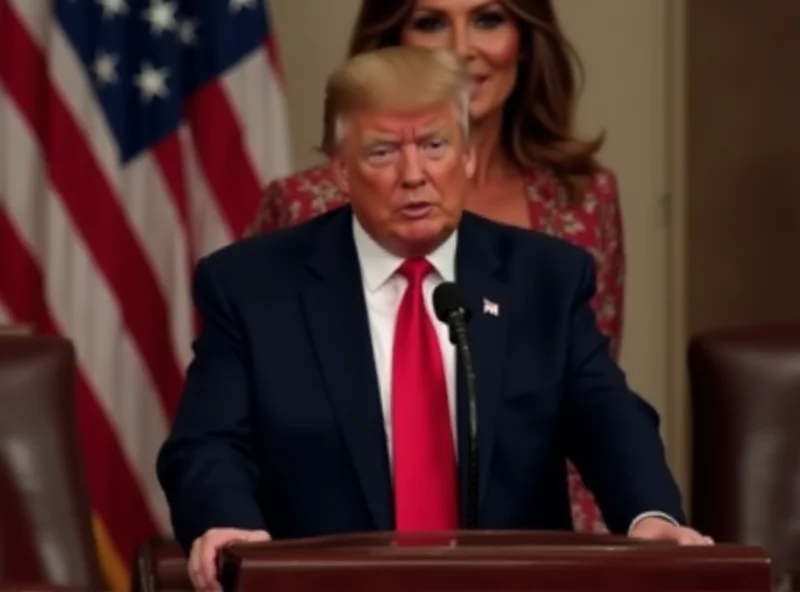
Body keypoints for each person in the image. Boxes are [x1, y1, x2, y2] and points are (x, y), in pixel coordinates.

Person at [158, 46, 711, 592]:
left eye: (435, 145)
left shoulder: (544, 278)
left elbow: (606, 416)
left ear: (467, 156)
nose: (414, 174)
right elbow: (207, 443)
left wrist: (650, 516)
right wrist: (226, 521)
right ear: (340, 171)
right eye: (382, 152)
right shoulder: (254, 287)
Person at [246, 0, 623, 533]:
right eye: (431, 23)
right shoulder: (305, 205)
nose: (461, 47)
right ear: (391, 42)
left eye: (489, 19)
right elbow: (257, 416)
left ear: (526, 39)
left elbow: (594, 404)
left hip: (541, 545)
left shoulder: (582, 200)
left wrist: (605, 548)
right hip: (344, 548)